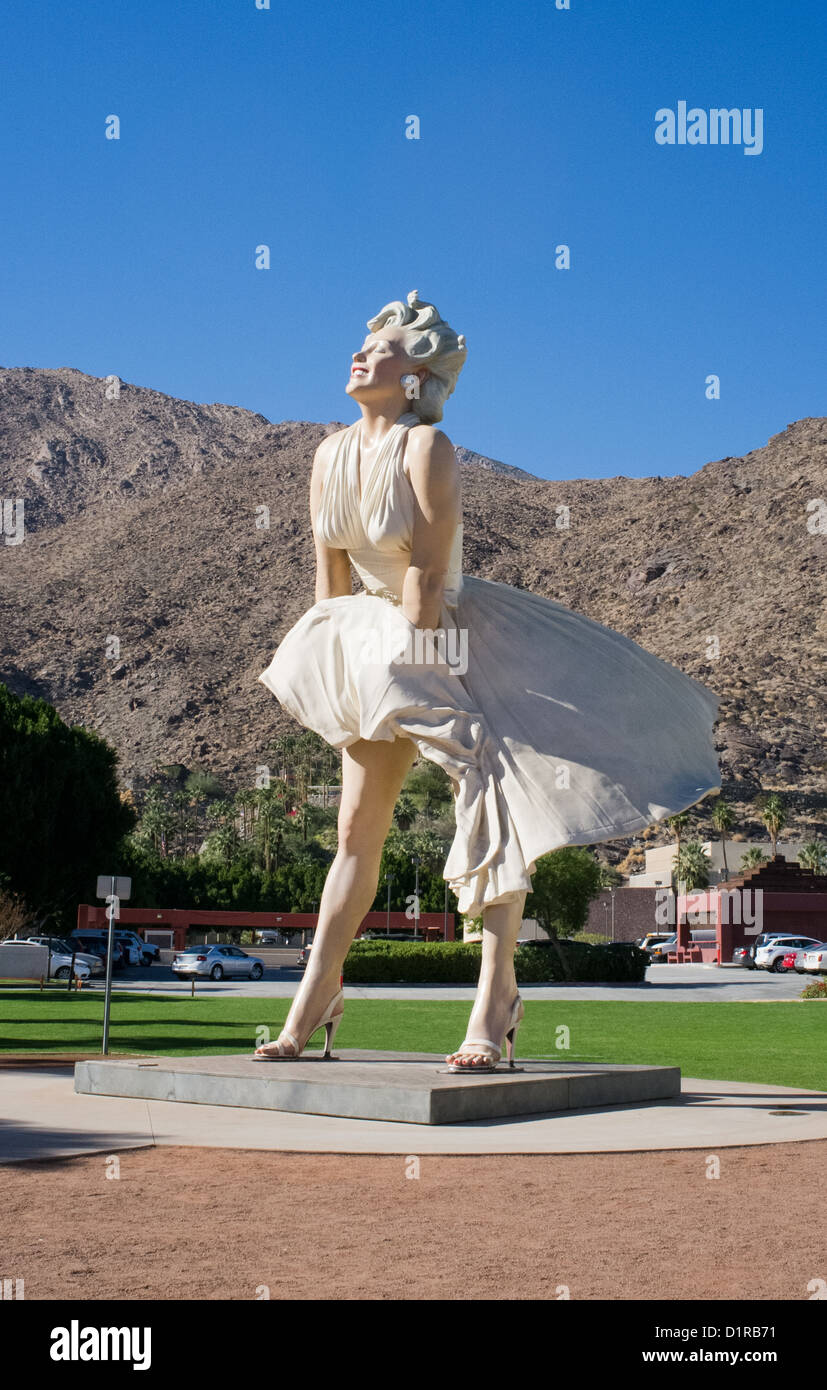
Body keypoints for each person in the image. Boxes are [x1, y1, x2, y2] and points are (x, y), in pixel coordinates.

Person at [254, 290, 721, 1069]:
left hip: (447, 637)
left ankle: (493, 999)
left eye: (388, 348)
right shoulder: (326, 455)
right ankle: (315, 997)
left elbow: (429, 577)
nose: (363, 354)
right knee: (353, 833)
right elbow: (329, 584)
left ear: (418, 376)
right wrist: (340, 670)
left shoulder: (427, 450)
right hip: (367, 642)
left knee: (492, 810)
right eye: (363, 344)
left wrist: (422, 671)